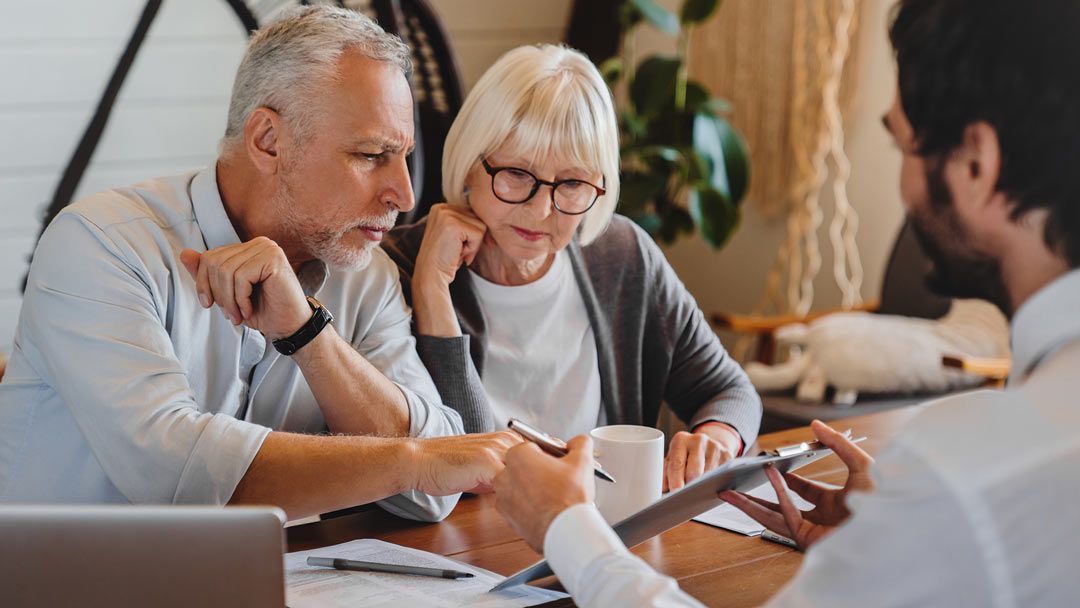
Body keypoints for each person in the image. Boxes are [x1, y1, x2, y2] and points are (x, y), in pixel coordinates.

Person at [492, 0, 1080, 604]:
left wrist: (568, 532)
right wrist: (886, 550)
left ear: (977, 164)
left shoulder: (969, 471)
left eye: (903, 146)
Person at [0, 6, 521, 522]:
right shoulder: (100, 244)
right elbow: (173, 475)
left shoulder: (367, 276)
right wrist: (410, 460)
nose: (404, 195)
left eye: (402, 156)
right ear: (268, 141)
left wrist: (309, 336)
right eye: (370, 155)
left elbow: (435, 493)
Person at [382, 45, 762, 490]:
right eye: (517, 174)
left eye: (573, 183)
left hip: (602, 533)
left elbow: (730, 392)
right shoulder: (398, 267)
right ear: (469, 163)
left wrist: (717, 436)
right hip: (465, 546)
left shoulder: (620, 254)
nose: (542, 209)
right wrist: (432, 293)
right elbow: (456, 466)